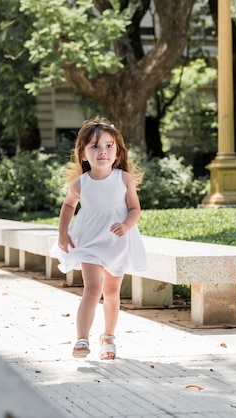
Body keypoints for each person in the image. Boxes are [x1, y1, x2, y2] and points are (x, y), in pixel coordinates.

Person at [51, 117, 148, 360]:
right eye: (94, 146)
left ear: (116, 152)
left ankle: (108, 336)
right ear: (83, 154)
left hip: (117, 242)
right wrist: (63, 232)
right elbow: (68, 207)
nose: (102, 151)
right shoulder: (80, 184)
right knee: (92, 289)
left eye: (108, 146)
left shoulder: (124, 179)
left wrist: (126, 224)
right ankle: (81, 339)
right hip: (89, 241)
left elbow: (135, 209)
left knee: (112, 292)